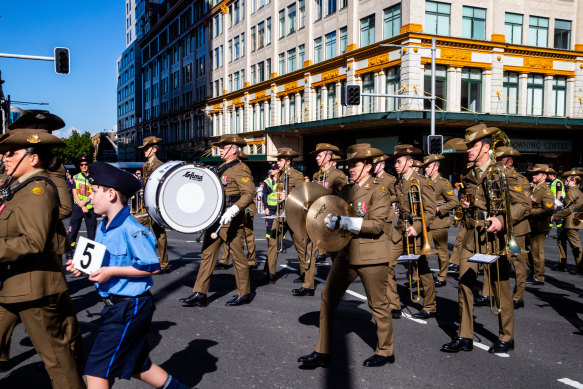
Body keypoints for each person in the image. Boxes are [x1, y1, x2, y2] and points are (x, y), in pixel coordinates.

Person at [66, 162, 187, 389]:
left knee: (95, 372)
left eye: (94, 191)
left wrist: (111, 272)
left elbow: (152, 267)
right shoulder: (104, 225)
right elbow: (102, 259)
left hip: (129, 307)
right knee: (139, 367)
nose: (89, 197)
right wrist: (81, 267)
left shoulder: (132, 229)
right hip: (117, 306)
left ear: (111, 194)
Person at [0, 128, 85, 388]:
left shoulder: (38, 191)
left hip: (33, 288)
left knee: (57, 359)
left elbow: (33, 241)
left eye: (11, 153)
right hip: (12, 283)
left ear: (33, 157)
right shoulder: (16, 186)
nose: (5, 157)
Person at [297, 144, 395, 368]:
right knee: (328, 297)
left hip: (371, 254)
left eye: (356, 164)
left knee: (378, 305)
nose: (351, 168)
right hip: (346, 253)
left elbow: (377, 226)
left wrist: (343, 222)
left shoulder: (379, 191)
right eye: (349, 164)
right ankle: (322, 351)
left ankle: (386, 350)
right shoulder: (347, 190)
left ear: (368, 167)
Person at [440, 125, 530, 354]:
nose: (468, 149)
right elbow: (475, 200)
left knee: (500, 289)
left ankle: (506, 337)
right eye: (468, 145)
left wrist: (502, 218)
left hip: (495, 237)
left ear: (486, 147)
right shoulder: (470, 175)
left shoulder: (505, 172)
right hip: (472, 235)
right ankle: (465, 336)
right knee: (464, 284)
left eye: (473, 145)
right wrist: (467, 206)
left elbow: (524, 205)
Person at [180, 135, 257, 307]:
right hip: (216, 216)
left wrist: (235, 210)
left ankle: (244, 293)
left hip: (230, 218)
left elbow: (249, 193)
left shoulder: (240, 168)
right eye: (220, 147)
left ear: (234, 149)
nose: (220, 150)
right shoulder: (221, 167)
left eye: (224, 147)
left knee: (237, 256)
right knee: (207, 254)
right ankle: (200, 293)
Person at [389, 144, 437, 319]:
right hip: (400, 229)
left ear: (410, 162)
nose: (396, 165)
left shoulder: (422, 182)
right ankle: (394, 305)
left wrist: (416, 228)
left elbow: (431, 212)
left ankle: (430, 306)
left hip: (417, 230)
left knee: (422, 269)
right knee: (387, 264)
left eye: (399, 161)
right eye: (395, 162)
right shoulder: (399, 182)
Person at [293, 143, 348, 297]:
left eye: (319, 155)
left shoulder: (337, 175)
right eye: (317, 155)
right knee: (309, 250)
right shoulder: (317, 176)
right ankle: (308, 285)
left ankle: (340, 281)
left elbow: (349, 193)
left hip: (332, 220)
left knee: (336, 254)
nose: (316, 158)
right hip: (316, 219)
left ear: (328, 157)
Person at [495, 146, 532, 309]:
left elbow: (525, 206)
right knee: (501, 261)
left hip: (517, 226)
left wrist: (507, 219)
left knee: (518, 263)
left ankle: (518, 296)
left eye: (500, 159)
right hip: (501, 225)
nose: (497, 162)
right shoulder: (497, 176)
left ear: (509, 161)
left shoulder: (520, 179)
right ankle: (500, 294)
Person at [264, 148, 305, 284]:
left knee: (300, 246)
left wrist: (287, 196)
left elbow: (302, 196)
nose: (278, 163)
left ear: (288, 161)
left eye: (280, 160)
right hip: (280, 214)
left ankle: (305, 274)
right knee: (273, 243)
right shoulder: (280, 175)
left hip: (294, 216)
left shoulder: (297, 175)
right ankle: (270, 274)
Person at [217, 151, 258, 269]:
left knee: (248, 235)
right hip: (235, 207)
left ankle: (252, 260)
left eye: (239, 160)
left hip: (247, 207)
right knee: (229, 233)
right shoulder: (230, 169)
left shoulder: (243, 170)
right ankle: (224, 259)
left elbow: (249, 192)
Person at [423, 154, 459, 287]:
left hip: (439, 223)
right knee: (423, 251)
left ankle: (442, 277)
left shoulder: (443, 183)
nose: (426, 169)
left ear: (436, 168)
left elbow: (454, 201)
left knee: (441, 252)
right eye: (425, 166)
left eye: (428, 166)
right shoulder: (424, 182)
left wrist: (439, 209)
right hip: (426, 222)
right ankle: (421, 276)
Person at [371, 152, 400, 318]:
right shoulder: (372, 180)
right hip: (374, 218)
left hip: (386, 219)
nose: (374, 167)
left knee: (386, 261)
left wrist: (385, 199)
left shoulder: (390, 179)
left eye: (376, 164)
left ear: (381, 164)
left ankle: (393, 303)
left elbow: (397, 195)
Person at [137, 137, 169, 272]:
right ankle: (147, 261)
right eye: (144, 149)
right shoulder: (145, 166)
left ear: (154, 149)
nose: (144, 151)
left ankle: (164, 263)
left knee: (160, 234)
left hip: (156, 204)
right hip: (145, 204)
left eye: (146, 148)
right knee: (142, 233)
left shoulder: (160, 165)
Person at [526, 164, 555, 285]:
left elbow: (548, 209)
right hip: (531, 225)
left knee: (537, 251)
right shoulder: (535, 188)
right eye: (533, 173)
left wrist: (530, 212)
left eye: (536, 173)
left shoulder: (545, 191)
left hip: (540, 226)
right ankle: (534, 271)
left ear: (544, 176)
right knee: (524, 249)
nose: (534, 176)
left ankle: (539, 276)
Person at [552, 170, 583, 274]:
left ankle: (580, 266)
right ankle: (562, 263)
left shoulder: (571, 192)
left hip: (570, 221)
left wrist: (556, 216)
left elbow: (569, 209)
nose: (566, 182)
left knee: (575, 245)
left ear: (574, 181)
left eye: (568, 181)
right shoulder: (578, 191)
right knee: (561, 239)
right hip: (575, 220)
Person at [67, 155, 98, 255]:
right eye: (81, 165)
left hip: (90, 207)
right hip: (78, 207)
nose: (84, 166)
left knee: (91, 232)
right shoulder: (76, 177)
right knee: (73, 230)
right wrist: (82, 205)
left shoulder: (94, 177)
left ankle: (90, 255)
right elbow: (75, 194)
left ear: (88, 165)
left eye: (85, 164)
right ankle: (70, 251)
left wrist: (86, 201)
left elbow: (95, 191)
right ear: (79, 166)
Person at [262, 163, 279, 239]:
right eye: (271, 169)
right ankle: (270, 246)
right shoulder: (267, 181)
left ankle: (280, 246)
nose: (271, 170)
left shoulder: (282, 181)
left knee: (280, 228)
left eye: (273, 169)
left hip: (280, 208)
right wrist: (266, 208)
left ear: (278, 170)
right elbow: (264, 196)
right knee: (269, 229)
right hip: (270, 208)